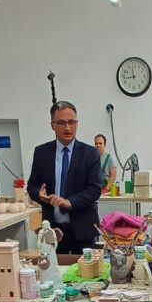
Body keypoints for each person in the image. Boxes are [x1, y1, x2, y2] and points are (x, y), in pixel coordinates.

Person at [27, 101, 102, 254]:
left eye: (71, 122)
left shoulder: (90, 153)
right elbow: (32, 185)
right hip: (53, 230)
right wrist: (39, 195)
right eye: (61, 123)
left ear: (77, 124)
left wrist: (69, 202)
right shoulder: (41, 152)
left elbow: (94, 190)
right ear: (52, 125)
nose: (67, 128)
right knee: (53, 268)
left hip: (83, 229)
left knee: (85, 269)